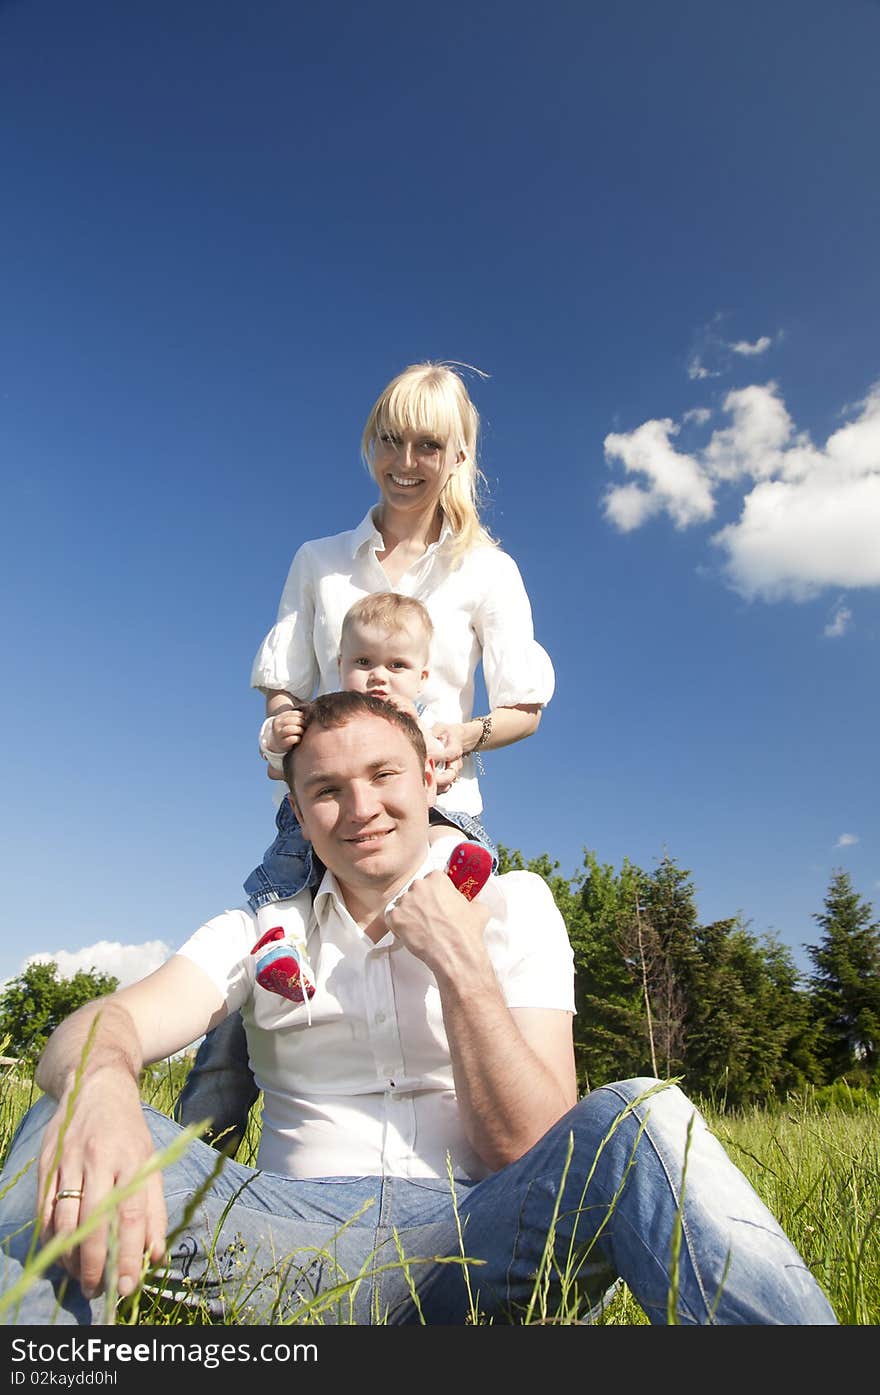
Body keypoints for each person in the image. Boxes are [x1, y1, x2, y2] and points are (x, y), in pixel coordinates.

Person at [0, 694, 838, 1326]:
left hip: (476, 1238)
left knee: (645, 1116)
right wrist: (104, 1084)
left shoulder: (514, 904)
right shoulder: (258, 930)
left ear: (432, 776)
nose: (359, 808)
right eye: (325, 789)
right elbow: (103, 1023)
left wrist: (458, 956)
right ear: (297, 812)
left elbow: (530, 1146)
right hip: (287, 1242)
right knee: (59, 1118)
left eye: (381, 775)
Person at [174, 360, 556, 1150]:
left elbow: (525, 706)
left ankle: (491, 1175)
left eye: (427, 444)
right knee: (259, 965)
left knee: (450, 983)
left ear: (458, 456)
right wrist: (281, 730)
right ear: (368, 445)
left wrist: (461, 735)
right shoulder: (319, 562)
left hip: (436, 809)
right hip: (324, 805)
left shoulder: (487, 571)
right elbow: (284, 685)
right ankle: (186, 1173)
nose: (405, 462)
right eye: (390, 440)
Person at [250, 592, 496, 1005]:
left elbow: (437, 753)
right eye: (363, 662)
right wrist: (276, 736)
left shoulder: (423, 717)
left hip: (423, 813)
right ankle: (282, 947)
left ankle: (456, 876)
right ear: (340, 666)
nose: (379, 676)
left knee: (445, 832)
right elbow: (278, 757)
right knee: (286, 880)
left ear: (422, 678)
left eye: (397, 665)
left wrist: (416, 728)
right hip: (315, 825)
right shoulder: (323, 715)